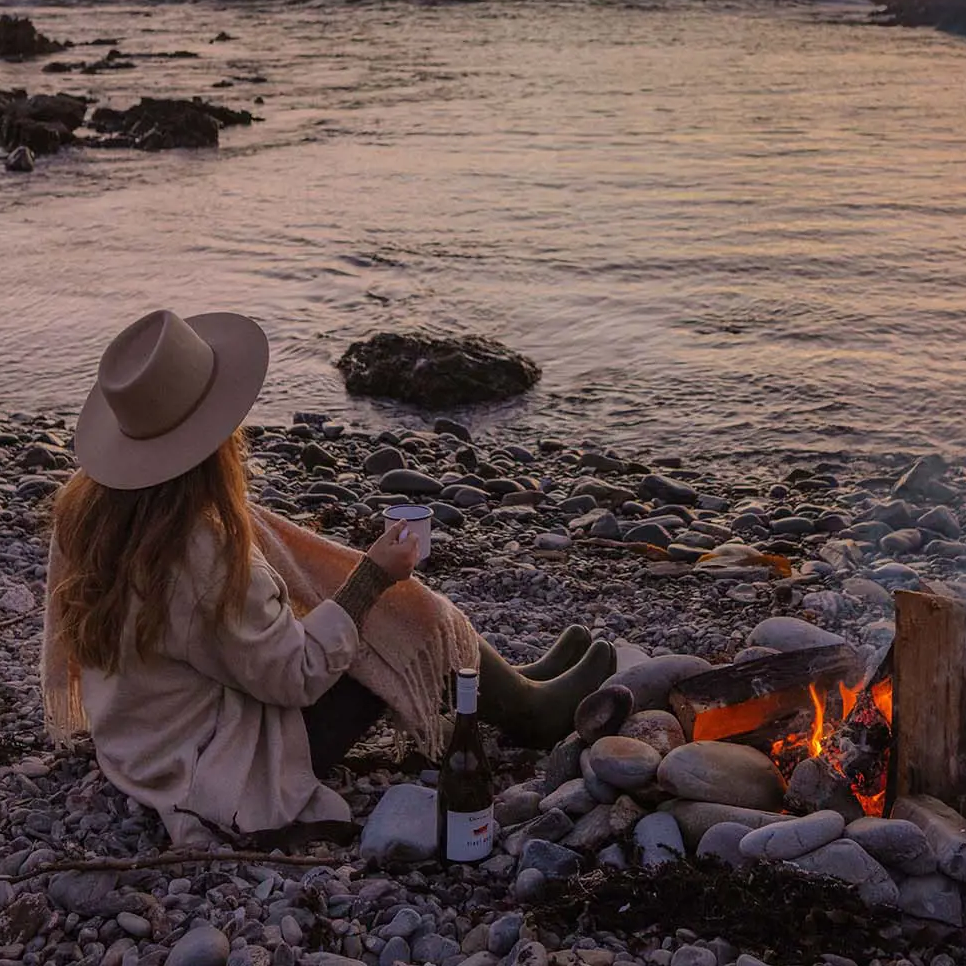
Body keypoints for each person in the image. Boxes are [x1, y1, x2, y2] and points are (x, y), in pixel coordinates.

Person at [41, 308, 617, 841]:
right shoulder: (203, 554)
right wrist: (370, 581)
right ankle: (529, 711)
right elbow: (296, 675)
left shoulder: (84, 511)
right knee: (391, 620)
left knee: (353, 610)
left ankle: (508, 681)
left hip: (141, 739)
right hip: (215, 758)